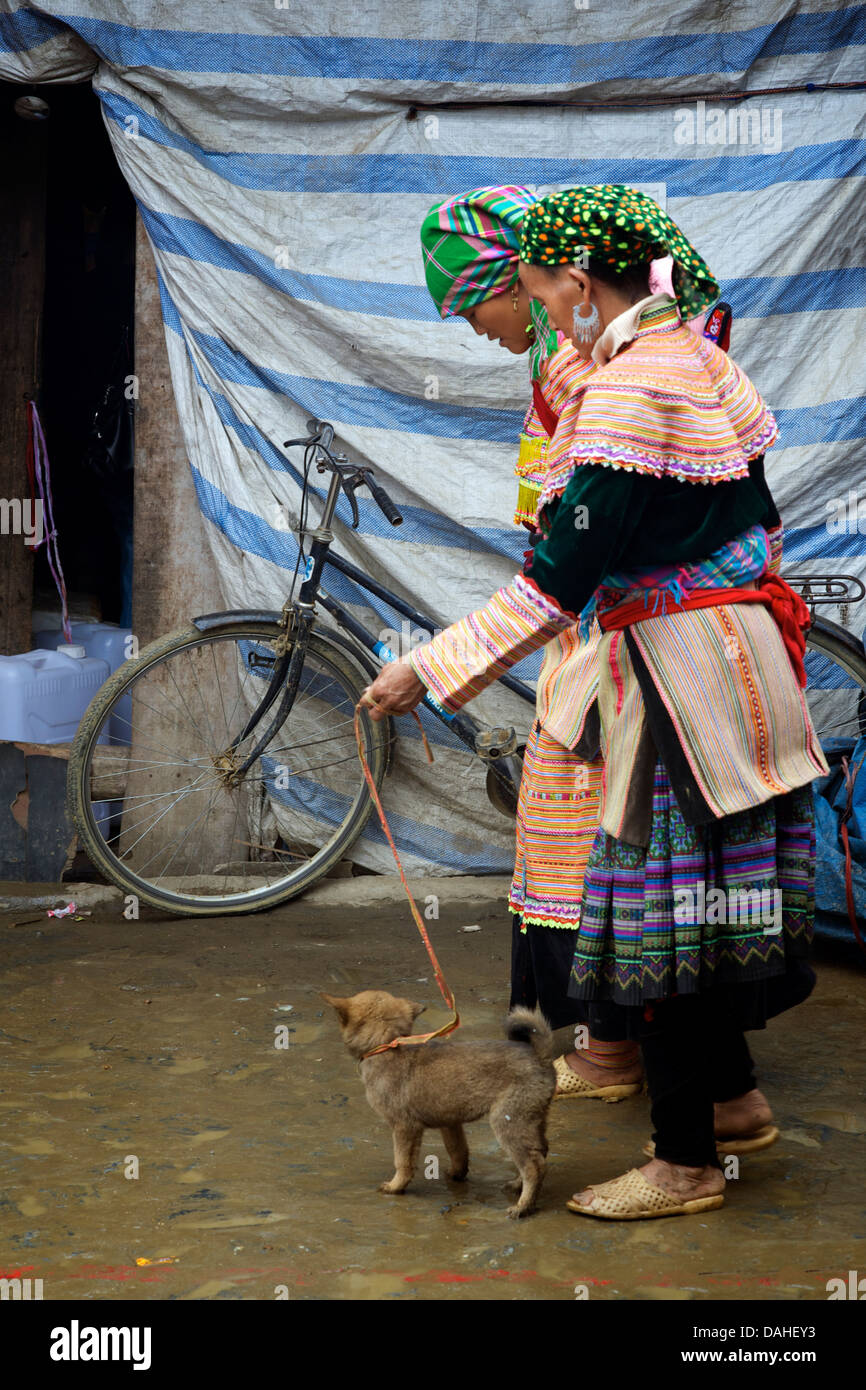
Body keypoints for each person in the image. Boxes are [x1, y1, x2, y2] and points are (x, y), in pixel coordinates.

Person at [365, 184, 827, 1219]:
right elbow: (755, 521)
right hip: (734, 663)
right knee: (701, 918)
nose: (528, 311)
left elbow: (555, 581)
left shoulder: (624, 390)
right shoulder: (697, 359)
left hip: (675, 683)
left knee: (655, 931)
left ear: (574, 280)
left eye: (530, 283)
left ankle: (682, 1163)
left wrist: (428, 669)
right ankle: (733, 1111)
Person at [419, 185, 642, 1097]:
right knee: (573, 830)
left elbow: (584, 534)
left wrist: (435, 669)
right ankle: (603, 1042)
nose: (474, 330)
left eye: (474, 308)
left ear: (523, 281)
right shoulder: (557, 355)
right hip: (584, 628)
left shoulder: (587, 366)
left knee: (593, 830)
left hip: (609, 632)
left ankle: (614, 1048)